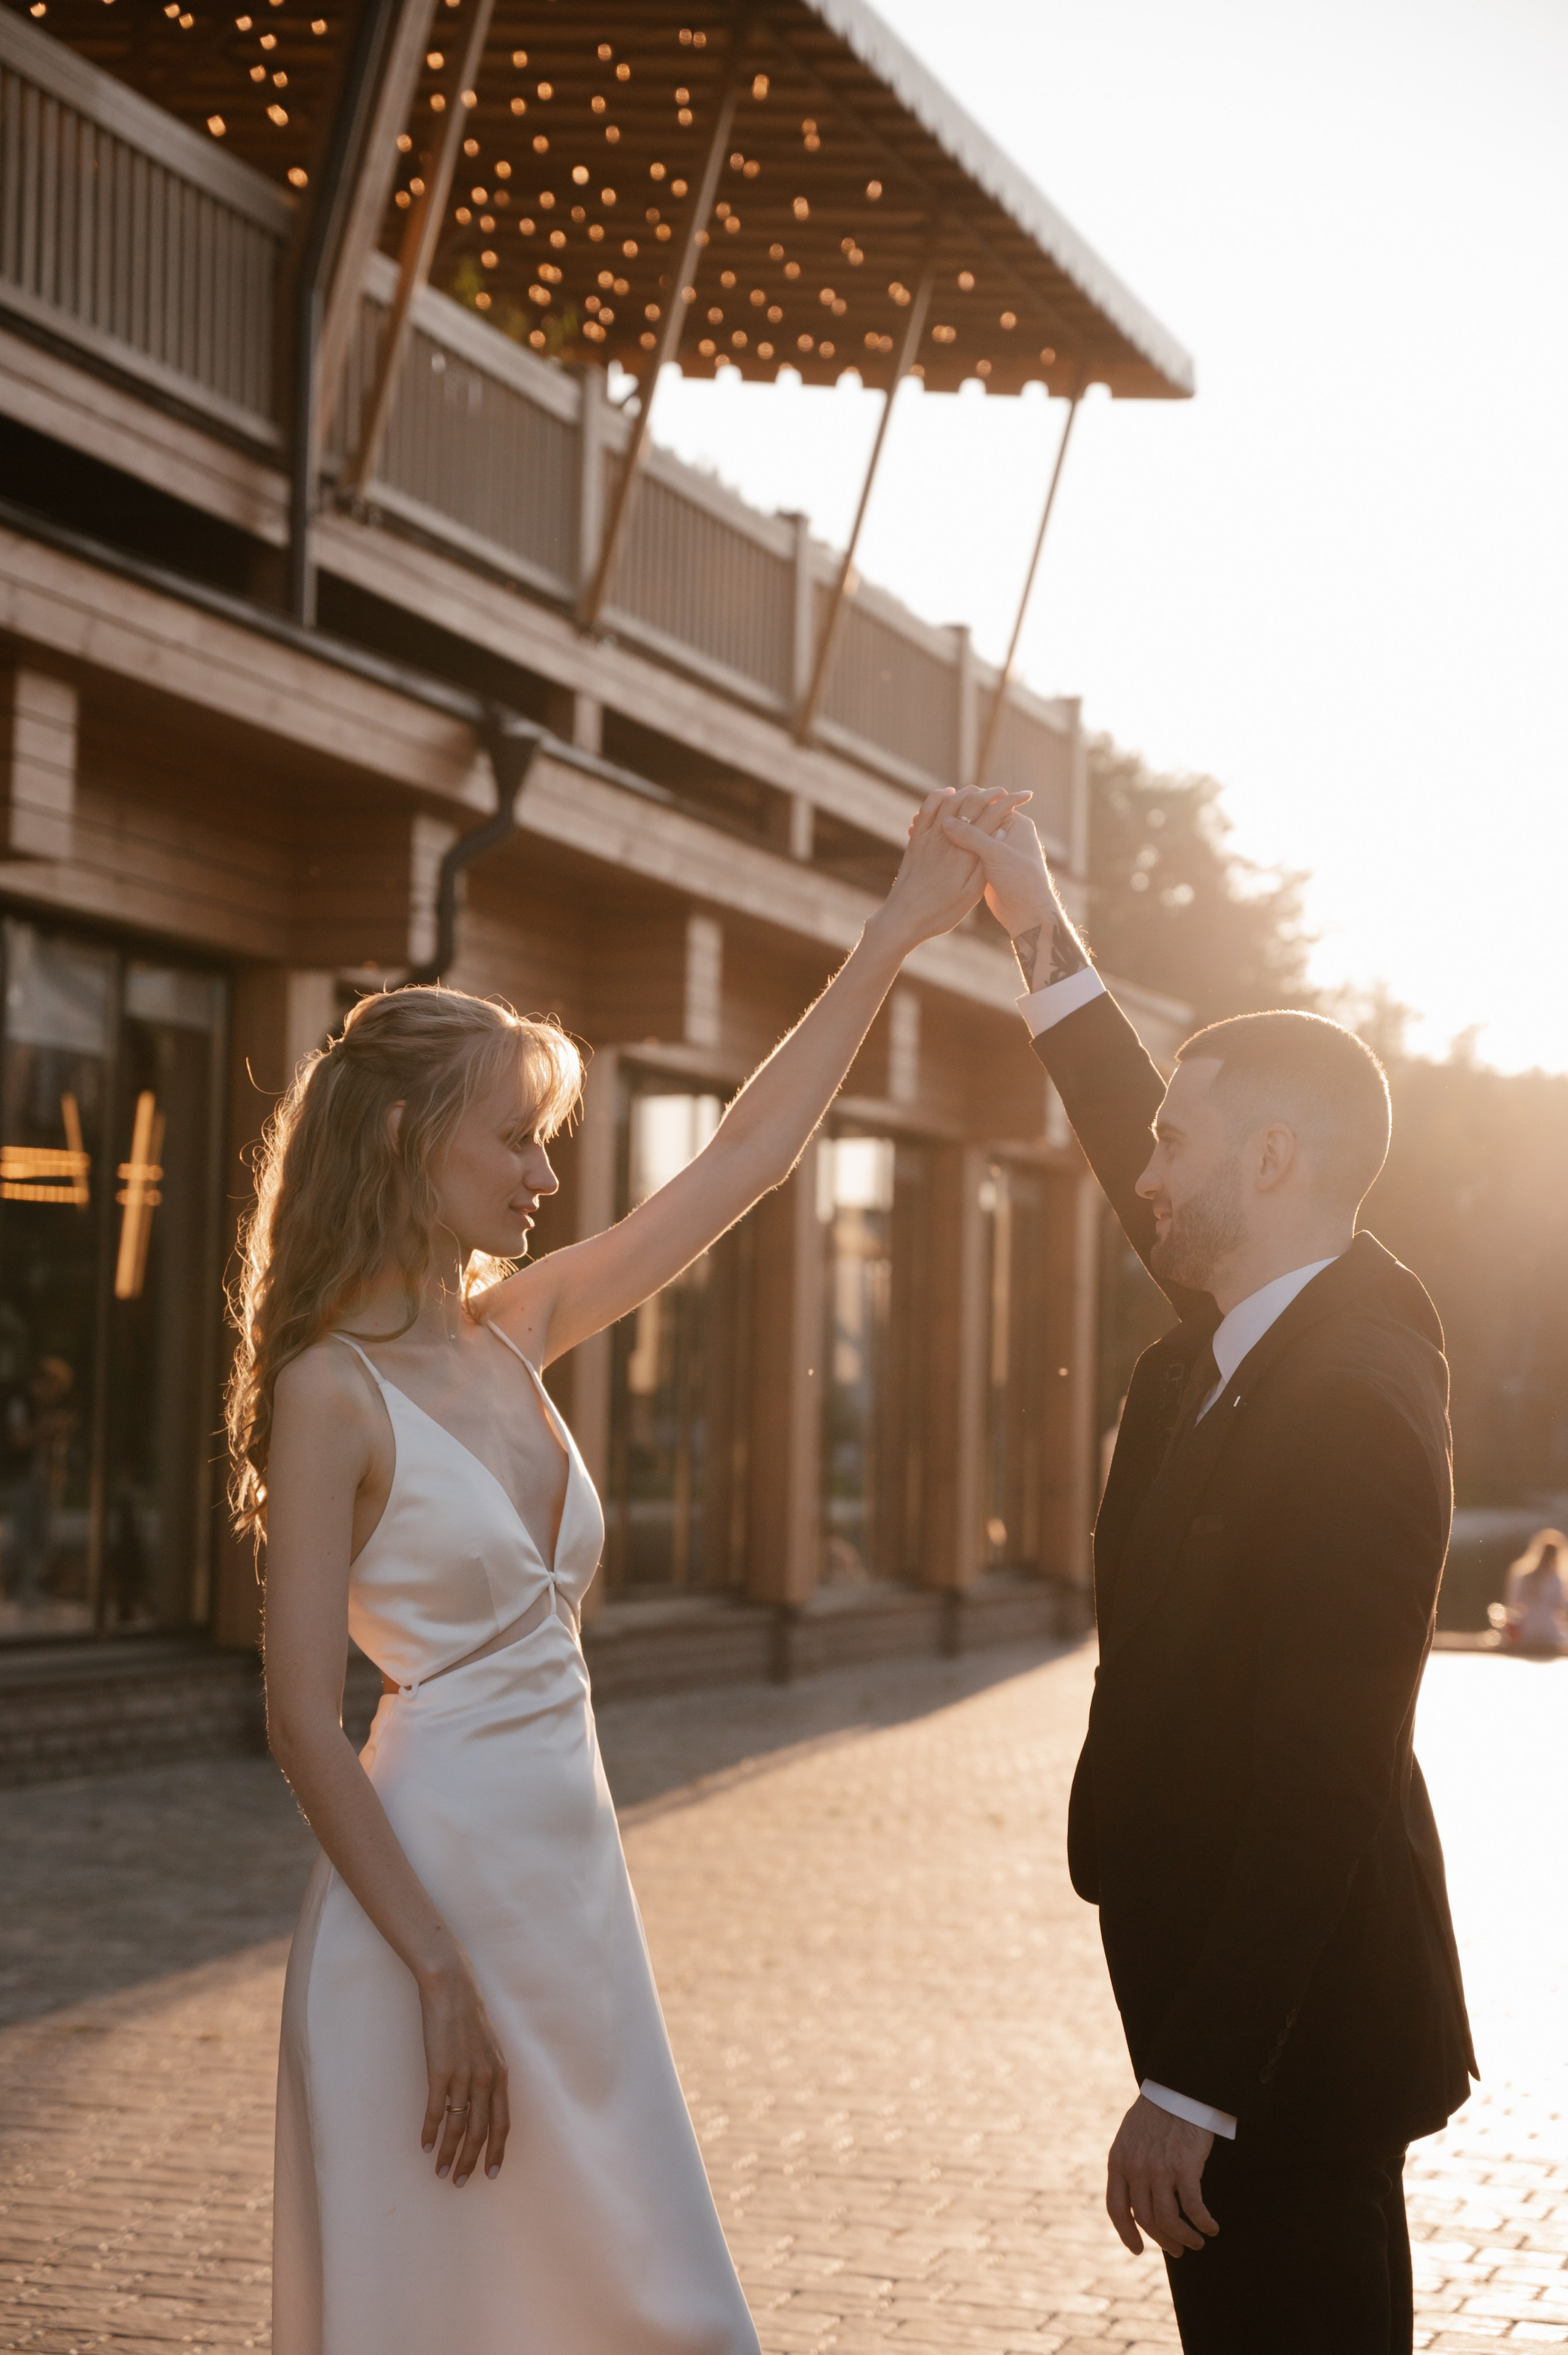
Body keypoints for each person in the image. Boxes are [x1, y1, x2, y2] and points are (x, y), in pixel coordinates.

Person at [228, 792, 1015, 2355]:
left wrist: (892, 933)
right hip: (424, 1918)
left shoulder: (510, 1328)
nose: (539, 1175)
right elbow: (304, 1725)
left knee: (651, 2312)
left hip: (570, 1903)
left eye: (546, 1141)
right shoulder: (327, 1391)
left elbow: (743, 1160)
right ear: (403, 1139)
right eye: (511, 1138)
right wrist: (438, 1973)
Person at [934, 788, 1476, 2355]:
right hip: (1212, 1992)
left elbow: (1325, 1778)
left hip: (1291, 2035)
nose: (1145, 1175)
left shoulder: (1357, 1402)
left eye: (1180, 1143)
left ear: (1276, 1156)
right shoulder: (1249, 1321)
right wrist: (1033, 924)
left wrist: (1194, 2086)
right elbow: (1130, 1130)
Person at [1494, 1528, 1568, 1656]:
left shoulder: (1524, 1575)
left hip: (1528, 1630)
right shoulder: (1555, 1578)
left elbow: (1513, 1602)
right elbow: (1562, 1605)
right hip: (1549, 1631)